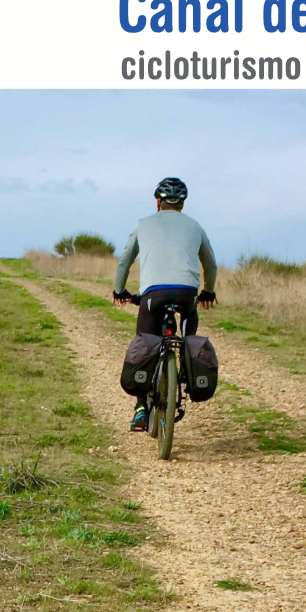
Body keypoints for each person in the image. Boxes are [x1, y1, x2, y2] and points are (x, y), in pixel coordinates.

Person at [113, 177, 218, 430]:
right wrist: (207, 292)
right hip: (187, 294)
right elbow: (211, 264)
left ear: (157, 202)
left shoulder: (143, 225)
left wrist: (119, 291)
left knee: (145, 340)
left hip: (153, 295)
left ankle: (140, 408)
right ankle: (185, 368)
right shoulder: (196, 226)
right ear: (182, 204)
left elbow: (124, 262)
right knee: (188, 333)